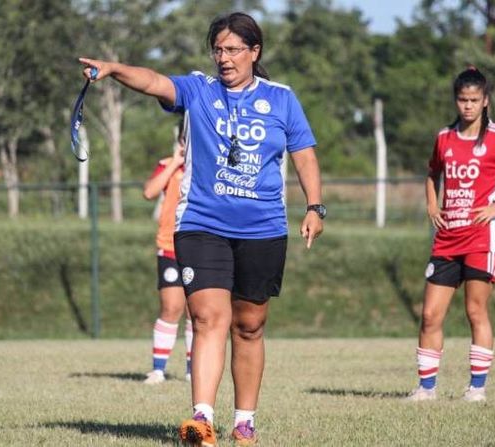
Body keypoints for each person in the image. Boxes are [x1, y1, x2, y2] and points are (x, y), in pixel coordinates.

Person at [79, 11, 324, 446]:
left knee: (249, 324)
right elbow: (154, 81)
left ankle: (245, 421)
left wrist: (315, 207)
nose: (224, 58)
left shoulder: (282, 99)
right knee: (209, 317)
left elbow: (303, 153)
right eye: (218, 50)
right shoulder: (198, 90)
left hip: (263, 228)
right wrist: (115, 70)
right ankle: (202, 419)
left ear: (254, 52)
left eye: (233, 50)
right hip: (201, 225)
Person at [407, 67, 495, 402]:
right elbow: (432, 172)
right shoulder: (444, 138)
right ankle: (426, 390)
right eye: (462, 99)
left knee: (475, 311)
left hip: (483, 237)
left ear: (485, 101)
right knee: (429, 315)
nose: (467, 106)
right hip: (448, 238)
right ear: (456, 100)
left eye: (474, 100)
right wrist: (432, 205)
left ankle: (476, 389)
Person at [141, 118, 192, 385]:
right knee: (172, 306)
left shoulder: (208, 165)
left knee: (199, 311)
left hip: (201, 247)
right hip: (170, 247)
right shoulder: (168, 166)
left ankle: (193, 370)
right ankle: (158, 369)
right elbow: (149, 192)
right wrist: (174, 162)